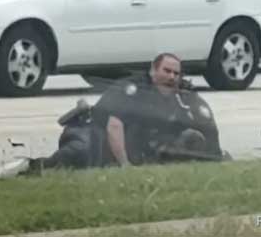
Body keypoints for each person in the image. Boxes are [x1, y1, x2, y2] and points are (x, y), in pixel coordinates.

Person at [91, 53, 225, 167]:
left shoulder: (183, 94)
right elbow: (114, 126)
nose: (172, 77)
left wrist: (217, 159)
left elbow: (207, 126)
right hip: (106, 147)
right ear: (153, 71)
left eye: (176, 73)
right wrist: (125, 165)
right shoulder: (134, 90)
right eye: (166, 71)